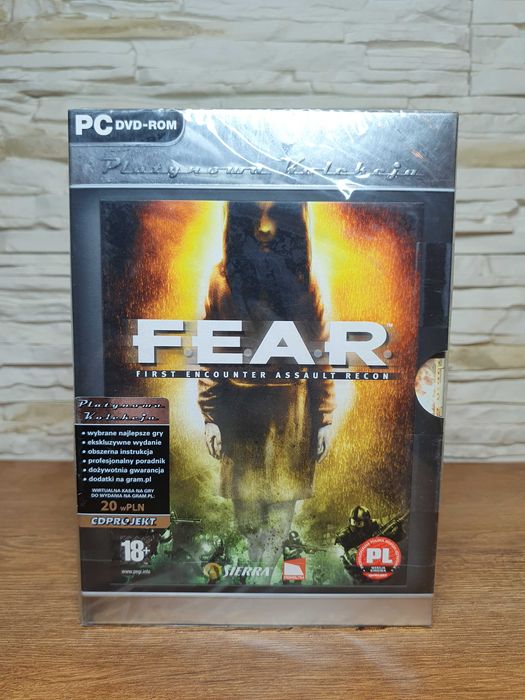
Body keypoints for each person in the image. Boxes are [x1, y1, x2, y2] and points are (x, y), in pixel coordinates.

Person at [198, 201, 335, 568]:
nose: (263, 228)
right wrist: (211, 417)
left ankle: (263, 581)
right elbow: (210, 352)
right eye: (254, 217)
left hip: (291, 412)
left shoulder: (306, 280)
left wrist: (323, 417)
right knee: (246, 516)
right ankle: (259, 578)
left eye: (273, 216)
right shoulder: (220, 279)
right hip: (239, 410)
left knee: (280, 510)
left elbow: (321, 351)